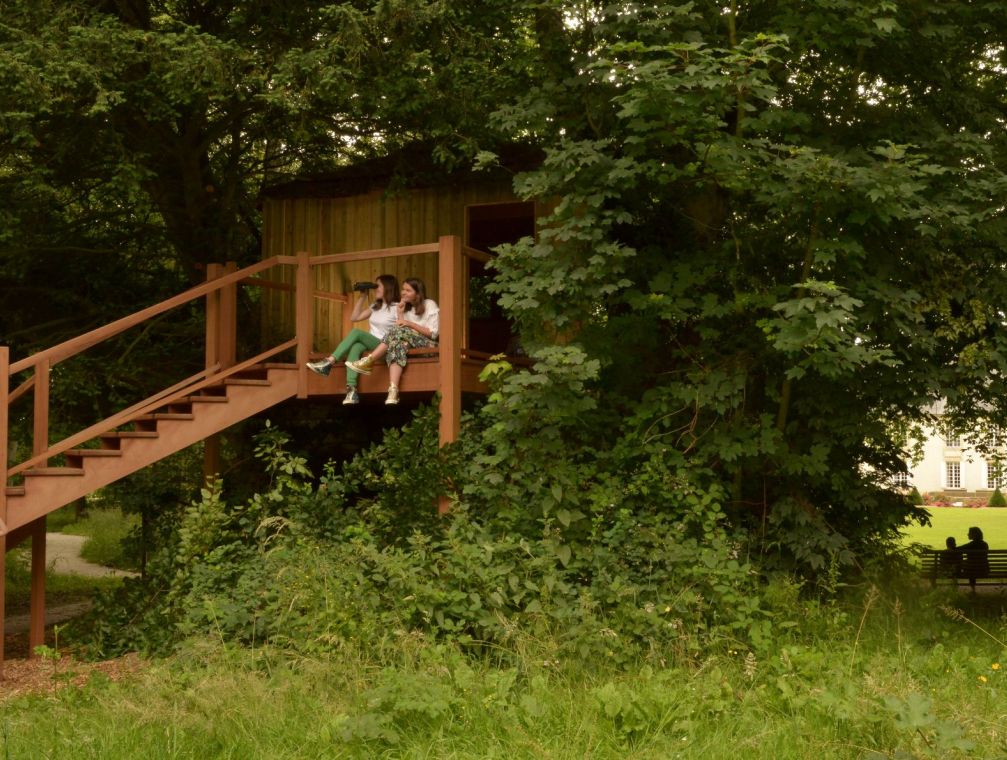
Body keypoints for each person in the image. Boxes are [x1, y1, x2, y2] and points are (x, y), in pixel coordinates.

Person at [305, 274, 400, 405]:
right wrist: (362, 297)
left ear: (388, 287)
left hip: (386, 346)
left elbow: (401, 330)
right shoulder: (375, 306)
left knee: (356, 332)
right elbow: (354, 317)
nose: (375, 288)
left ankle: (329, 362)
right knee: (356, 347)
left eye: (378, 285)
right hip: (372, 345)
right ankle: (352, 390)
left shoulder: (398, 307)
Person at [345, 277, 439, 405]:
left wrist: (408, 323)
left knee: (396, 332)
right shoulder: (404, 307)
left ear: (418, 293)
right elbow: (401, 328)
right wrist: (401, 314)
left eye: (408, 290)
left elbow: (433, 334)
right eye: (403, 289)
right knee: (396, 344)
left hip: (428, 346)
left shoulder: (429, 304)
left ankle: (369, 360)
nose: (403, 292)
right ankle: (393, 389)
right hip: (408, 345)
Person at [960, 526, 989, 592]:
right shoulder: (985, 544)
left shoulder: (970, 545)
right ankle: (973, 590)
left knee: (969, 566)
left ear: (974, 535)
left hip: (971, 571)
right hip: (983, 570)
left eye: (969, 533)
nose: (968, 534)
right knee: (971, 566)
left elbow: (956, 549)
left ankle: (973, 589)